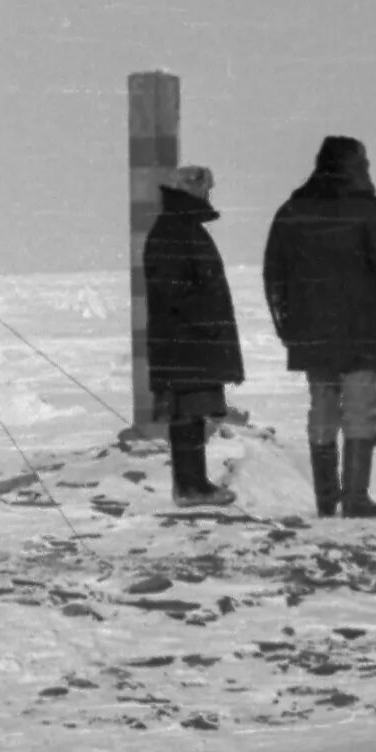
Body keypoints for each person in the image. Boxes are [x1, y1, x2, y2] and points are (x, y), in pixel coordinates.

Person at [262, 135, 376, 518]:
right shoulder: (365, 208)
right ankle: (354, 498)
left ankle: (325, 498)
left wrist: (286, 325)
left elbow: (274, 275)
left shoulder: (291, 210)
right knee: (359, 407)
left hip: (311, 330)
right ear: (353, 165)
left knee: (322, 405)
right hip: (361, 325)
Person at [141, 163, 244, 508]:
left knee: (191, 415)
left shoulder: (180, 228)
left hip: (186, 343)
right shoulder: (175, 231)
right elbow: (176, 291)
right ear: (192, 189)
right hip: (185, 343)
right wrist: (209, 320)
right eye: (206, 189)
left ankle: (194, 484)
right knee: (186, 415)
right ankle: (189, 487)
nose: (208, 195)